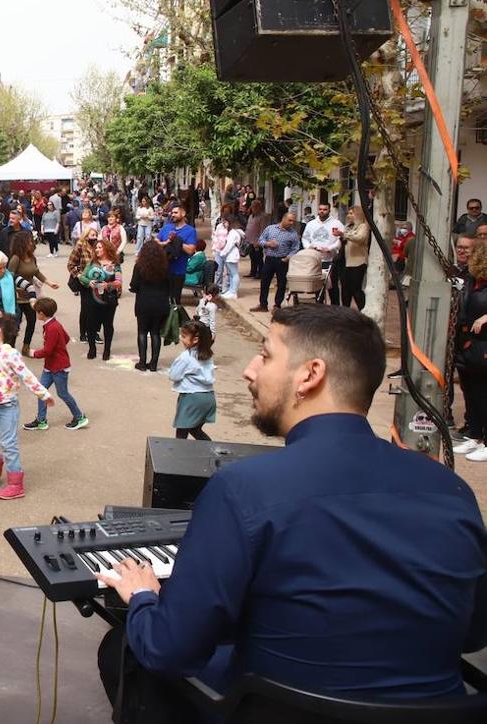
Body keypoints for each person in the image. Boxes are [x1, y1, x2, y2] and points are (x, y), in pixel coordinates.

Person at [95, 304, 487, 720]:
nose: (249, 370)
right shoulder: (453, 491)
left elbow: (169, 650)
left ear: (310, 375)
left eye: (265, 354)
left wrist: (142, 596)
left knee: (122, 649)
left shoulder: (242, 489)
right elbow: (473, 633)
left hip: (279, 710)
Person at [0, 311, 54, 501]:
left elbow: (26, 375)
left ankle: (16, 484)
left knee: (8, 443)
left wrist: (44, 394)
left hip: (8, 406)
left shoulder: (10, 354)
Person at [25, 297, 89, 433]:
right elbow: (65, 338)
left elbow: (47, 350)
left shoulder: (52, 328)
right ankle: (41, 420)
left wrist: (33, 353)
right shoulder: (54, 324)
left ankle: (79, 417)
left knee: (63, 393)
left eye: (37, 312)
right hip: (51, 366)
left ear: (41, 313)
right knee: (40, 391)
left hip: (58, 367)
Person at [453, 240, 487, 462]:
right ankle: (475, 435)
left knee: (484, 392)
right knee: (471, 391)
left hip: (484, 343)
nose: (465, 254)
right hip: (468, 342)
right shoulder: (470, 280)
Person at [7, 231, 61, 355]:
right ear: (22, 243)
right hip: (17, 298)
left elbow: (36, 272)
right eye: (29, 241)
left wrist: (49, 283)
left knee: (31, 322)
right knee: (15, 324)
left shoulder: (32, 257)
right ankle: (10, 349)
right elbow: (9, 277)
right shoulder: (15, 259)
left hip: (31, 297)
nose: (32, 243)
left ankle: (26, 346)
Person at [130, 240, 171, 372]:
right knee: (155, 333)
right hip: (161, 303)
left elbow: (134, 285)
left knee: (142, 332)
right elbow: (170, 286)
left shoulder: (139, 267)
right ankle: (153, 363)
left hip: (144, 302)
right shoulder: (165, 267)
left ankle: (142, 362)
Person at [79, 239, 122, 361]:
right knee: (91, 325)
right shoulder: (92, 262)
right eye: (96, 248)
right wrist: (89, 282)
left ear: (107, 249)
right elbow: (82, 277)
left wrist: (107, 285)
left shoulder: (115, 264)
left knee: (108, 325)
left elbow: (119, 282)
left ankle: (107, 350)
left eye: (99, 247)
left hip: (109, 300)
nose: (97, 250)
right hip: (92, 300)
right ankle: (92, 348)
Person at [252, 211, 301, 313]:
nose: (291, 223)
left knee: (281, 284)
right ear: (283, 219)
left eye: (293, 221)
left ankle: (277, 305)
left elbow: (295, 248)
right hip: (269, 259)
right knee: (265, 282)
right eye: (289, 220)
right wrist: (268, 244)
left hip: (282, 260)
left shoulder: (293, 234)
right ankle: (263, 304)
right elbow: (261, 240)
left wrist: (288, 257)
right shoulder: (270, 229)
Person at [302, 202, 345, 303]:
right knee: (317, 285)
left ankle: (335, 308)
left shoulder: (337, 223)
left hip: (331, 259)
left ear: (329, 210)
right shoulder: (311, 224)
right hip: (315, 259)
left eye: (325, 209)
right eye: (320, 209)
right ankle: (319, 306)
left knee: (332, 286)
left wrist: (330, 248)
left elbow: (341, 239)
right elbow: (305, 238)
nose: (322, 211)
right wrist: (309, 247)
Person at [157, 205, 198, 306]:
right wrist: (165, 242)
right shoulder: (167, 227)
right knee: (162, 300)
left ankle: (174, 320)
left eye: (176, 212)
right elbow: (157, 240)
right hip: (163, 269)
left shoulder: (190, 231)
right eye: (172, 212)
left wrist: (177, 241)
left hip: (178, 271)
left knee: (175, 301)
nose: (173, 215)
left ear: (183, 214)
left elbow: (191, 250)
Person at [336, 205, 370, 310]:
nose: (348, 215)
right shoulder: (347, 226)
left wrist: (344, 235)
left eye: (351, 213)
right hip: (344, 262)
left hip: (357, 262)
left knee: (356, 289)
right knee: (345, 290)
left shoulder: (363, 226)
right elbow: (341, 243)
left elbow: (360, 238)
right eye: (348, 213)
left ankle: (363, 311)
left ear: (358, 214)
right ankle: (345, 312)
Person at [217, 216, 244, 299]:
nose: (224, 224)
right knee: (231, 274)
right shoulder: (232, 232)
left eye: (225, 222)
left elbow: (229, 245)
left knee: (234, 273)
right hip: (229, 255)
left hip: (231, 255)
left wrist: (223, 253)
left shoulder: (233, 233)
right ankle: (231, 290)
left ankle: (233, 291)